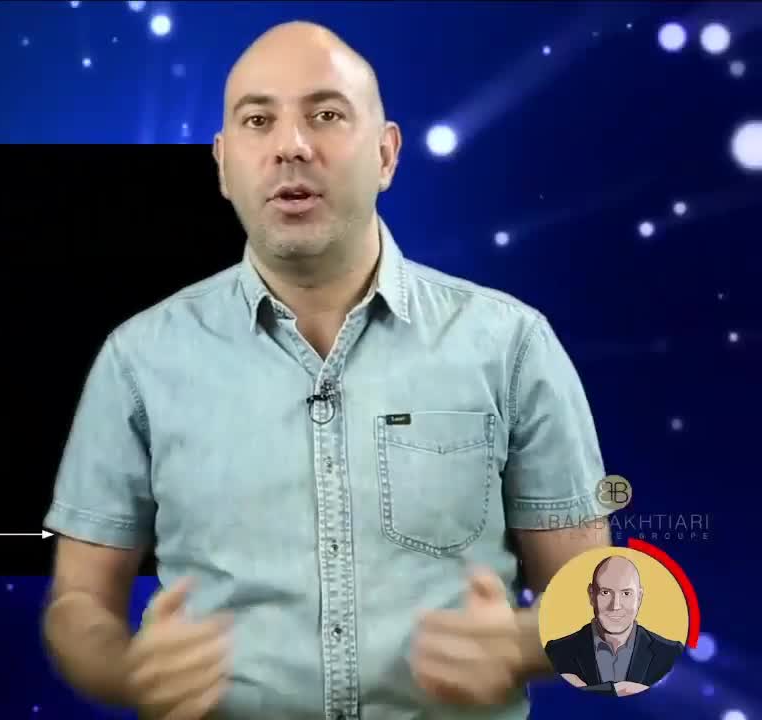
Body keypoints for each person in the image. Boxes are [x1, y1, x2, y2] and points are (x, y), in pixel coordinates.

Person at [40, 19, 613, 720]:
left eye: (326, 115)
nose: (291, 146)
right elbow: (77, 604)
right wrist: (126, 670)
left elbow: (601, 607)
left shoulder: (511, 345)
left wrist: (524, 644)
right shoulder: (138, 359)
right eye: (258, 120)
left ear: (386, 154)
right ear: (222, 164)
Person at [544, 556, 683, 696]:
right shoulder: (556, 653)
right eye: (605, 592)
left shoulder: (672, 654)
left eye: (626, 593)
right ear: (591, 595)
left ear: (639, 598)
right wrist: (616, 690)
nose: (615, 605)